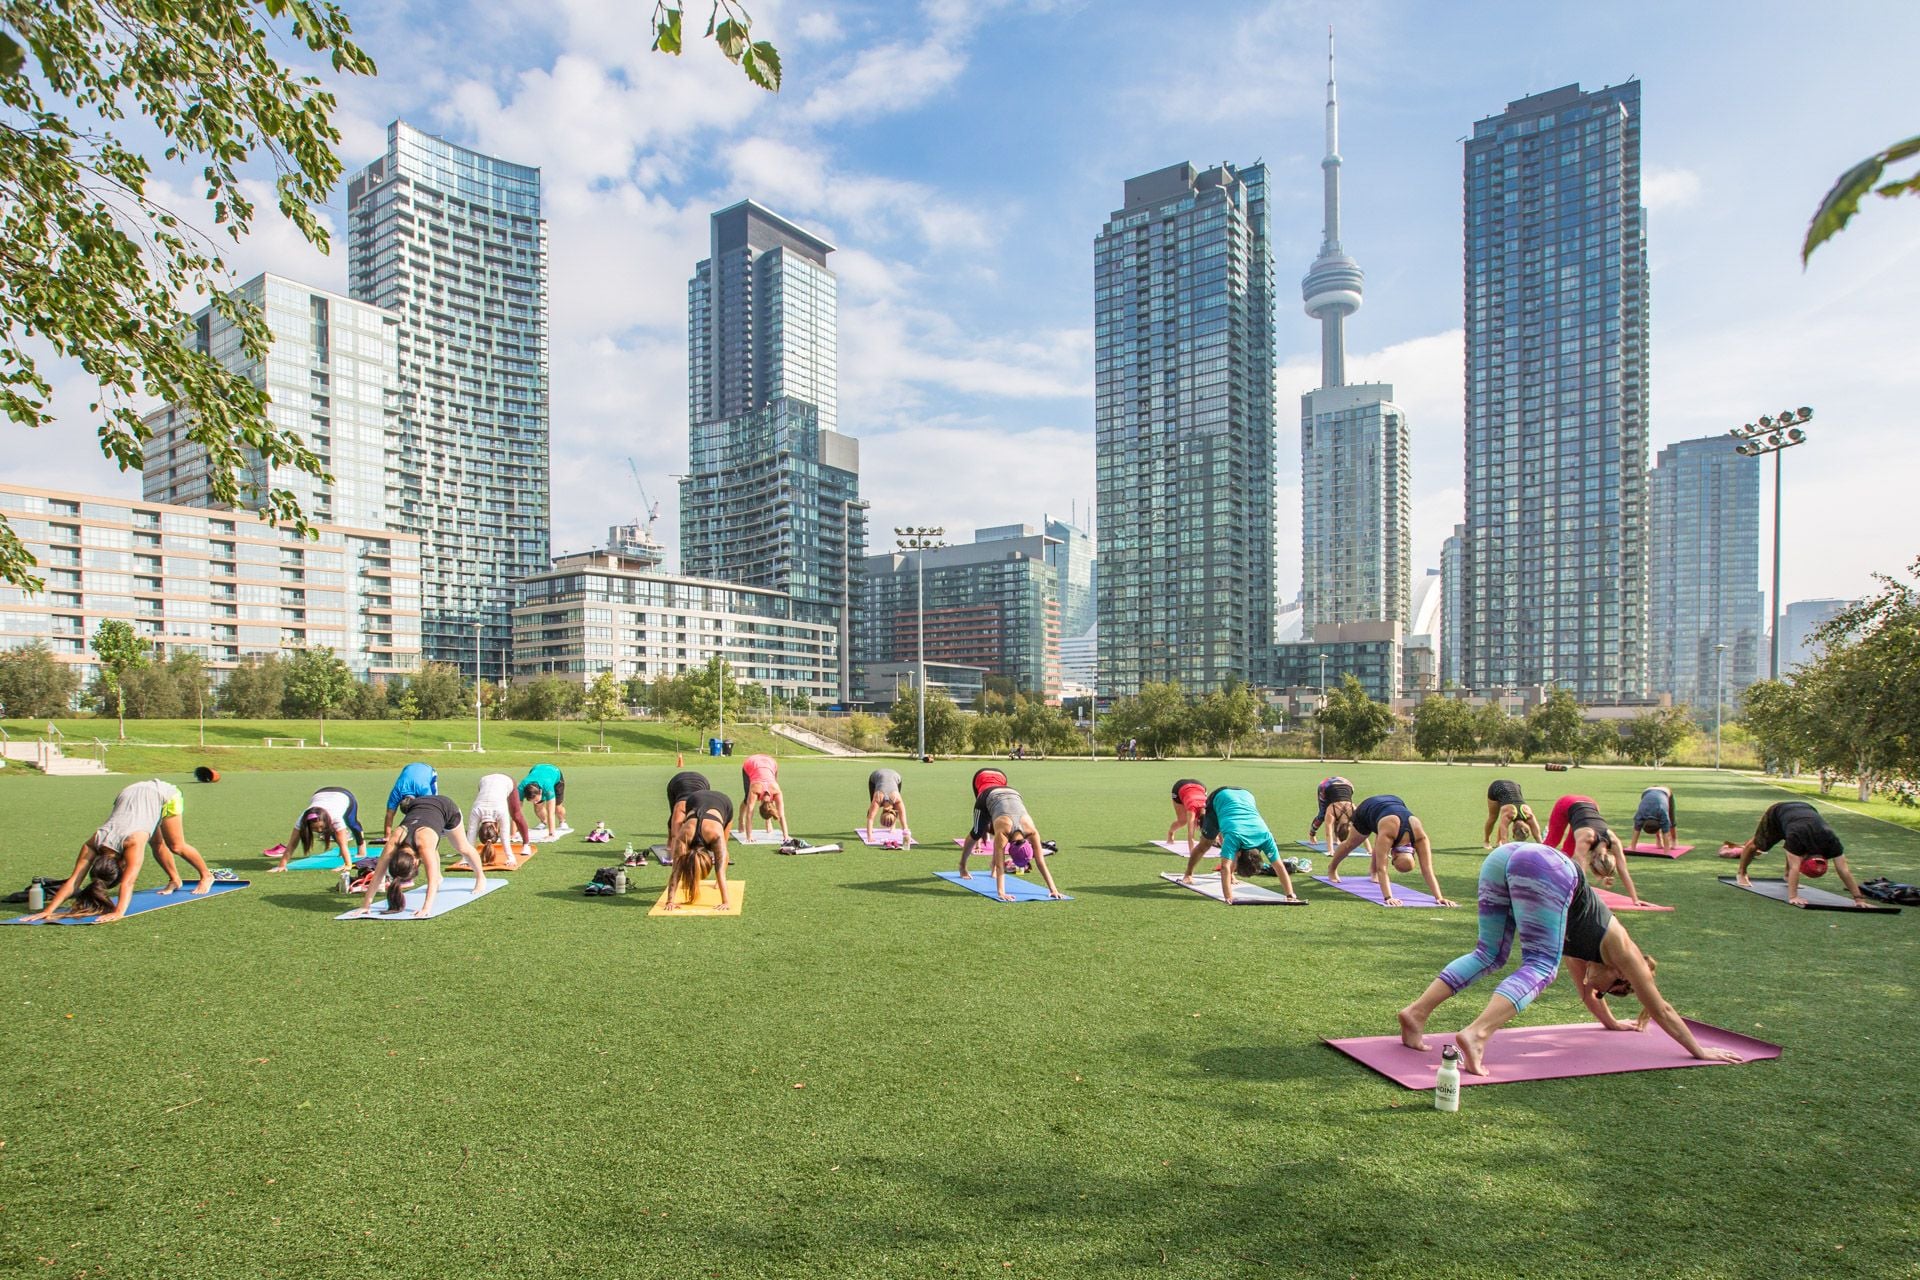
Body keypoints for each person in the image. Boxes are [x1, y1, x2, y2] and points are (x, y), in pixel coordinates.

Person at [1396, 841, 1743, 1075]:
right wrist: (1700, 1051)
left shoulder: (1585, 956)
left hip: (1506, 857)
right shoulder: (1625, 952)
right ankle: (1478, 1033)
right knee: (1541, 965)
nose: (1598, 991)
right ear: (1620, 975)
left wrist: (1612, 1024)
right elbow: (1661, 1009)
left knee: (1489, 954)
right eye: (1609, 991)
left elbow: (1586, 997)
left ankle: (1416, 1013)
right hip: (1545, 865)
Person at [21, 779, 212, 923]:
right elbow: (74, 880)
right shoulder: (94, 842)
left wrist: (119, 911)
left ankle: (206, 875)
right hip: (129, 793)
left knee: (176, 845)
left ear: (120, 866)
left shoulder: (132, 842)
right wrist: (49, 910)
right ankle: (175, 880)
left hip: (162, 794)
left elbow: (129, 881)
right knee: (155, 843)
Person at [350, 794, 488, 918]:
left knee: (462, 847)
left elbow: (431, 879)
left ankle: (481, 877)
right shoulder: (393, 842)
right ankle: (443, 877)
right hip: (419, 806)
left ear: (416, 863)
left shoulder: (424, 844)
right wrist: (365, 905)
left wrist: (426, 908)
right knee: (431, 847)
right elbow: (378, 874)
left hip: (445, 807)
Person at [1732, 801, 1869, 907]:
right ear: (1804, 858)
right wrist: (1793, 897)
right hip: (1778, 812)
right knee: (1758, 845)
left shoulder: (1832, 843)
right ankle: (1741, 872)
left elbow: (1843, 870)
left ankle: (1786, 876)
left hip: (1805, 810)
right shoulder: (1797, 839)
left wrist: (1858, 898)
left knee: (1792, 849)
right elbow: (1795, 868)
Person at [1327, 794, 1456, 907]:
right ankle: (1332, 868)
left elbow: (1427, 870)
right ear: (1393, 855)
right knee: (1351, 843)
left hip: (1393, 804)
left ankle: (1371, 873)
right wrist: (1388, 897)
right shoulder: (1389, 835)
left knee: (1381, 842)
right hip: (1369, 808)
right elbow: (1382, 868)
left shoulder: (1421, 838)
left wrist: (1439, 897)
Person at [1180, 786, 1300, 904]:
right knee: (1205, 844)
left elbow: (1278, 866)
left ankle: (1230, 876)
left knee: (1227, 843)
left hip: (1246, 795)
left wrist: (1290, 894)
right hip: (1219, 797)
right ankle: (1188, 873)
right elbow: (1225, 867)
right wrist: (1229, 897)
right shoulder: (1234, 838)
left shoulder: (1266, 837)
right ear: (1239, 853)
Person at [959, 784, 1063, 902]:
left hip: (1013, 793)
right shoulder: (1003, 833)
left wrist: (1053, 889)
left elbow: (1040, 862)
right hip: (987, 796)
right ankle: (962, 865)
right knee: (977, 832)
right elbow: (1000, 865)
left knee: (993, 835)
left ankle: (989, 868)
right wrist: (1001, 892)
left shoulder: (1032, 832)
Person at [1543, 794, 1644, 904]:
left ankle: (1556, 881)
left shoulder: (1614, 841)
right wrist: (1583, 898)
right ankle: (1534, 867)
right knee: (1551, 843)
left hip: (1591, 804)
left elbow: (1623, 870)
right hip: (1567, 803)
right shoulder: (1587, 838)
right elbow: (1580, 871)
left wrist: (1635, 899)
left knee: (1568, 851)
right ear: (1592, 860)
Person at [662, 788, 734, 912]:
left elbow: (720, 870)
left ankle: (718, 884)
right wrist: (670, 901)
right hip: (695, 799)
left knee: (724, 850)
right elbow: (676, 870)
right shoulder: (684, 836)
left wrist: (725, 901)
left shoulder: (716, 836)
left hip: (723, 802)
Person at [267, 786, 363, 873]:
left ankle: (362, 848)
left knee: (352, 823)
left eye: (321, 827)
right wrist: (282, 865)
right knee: (333, 831)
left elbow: (343, 844)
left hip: (344, 795)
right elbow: (292, 844)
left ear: (327, 821)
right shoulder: (302, 820)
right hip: (320, 793)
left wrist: (348, 864)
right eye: (314, 828)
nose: (320, 830)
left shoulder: (336, 818)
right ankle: (341, 853)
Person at [467, 773, 531, 866]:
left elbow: (505, 836)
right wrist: (465, 859)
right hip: (484, 780)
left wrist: (511, 858)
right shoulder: (476, 811)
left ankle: (526, 844)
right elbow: (471, 834)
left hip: (506, 781)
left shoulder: (498, 811)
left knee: (516, 815)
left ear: (496, 829)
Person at [737, 753, 789, 841]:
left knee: (769, 795)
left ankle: (768, 822)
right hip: (751, 763)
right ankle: (740, 819)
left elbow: (781, 815)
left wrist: (786, 836)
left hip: (771, 763)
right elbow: (749, 814)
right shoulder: (755, 790)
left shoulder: (776, 791)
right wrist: (749, 837)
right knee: (747, 799)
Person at [664, 769, 711, 858]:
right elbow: (676, 836)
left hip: (702, 781)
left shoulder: (702, 808)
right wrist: (676, 857)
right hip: (676, 782)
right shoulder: (680, 808)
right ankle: (669, 843)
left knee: (700, 826)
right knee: (674, 817)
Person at [1483, 778, 1541, 848]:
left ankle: (1498, 842)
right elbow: (1504, 839)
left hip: (1514, 785)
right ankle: (1486, 841)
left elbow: (1538, 837)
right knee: (1493, 817)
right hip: (1497, 787)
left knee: (1504, 822)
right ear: (1513, 831)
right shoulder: (1509, 814)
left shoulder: (1529, 815)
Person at [383, 762, 438, 836]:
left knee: (435, 802)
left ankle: (439, 828)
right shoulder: (396, 793)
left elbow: (430, 809)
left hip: (428, 769)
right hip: (408, 768)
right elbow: (389, 814)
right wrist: (387, 836)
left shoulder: (424, 790)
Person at [519, 763, 567, 835]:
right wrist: (513, 835)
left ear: (541, 792)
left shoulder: (548, 787)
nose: (535, 802)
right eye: (533, 801)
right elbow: (516, 812)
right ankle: (544, 821)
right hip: (536, 770)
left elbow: (551, 812)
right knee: (538, 807)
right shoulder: (521, 788)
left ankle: (562, 821)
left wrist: (551, 834)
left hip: (555, 774)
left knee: (557, 808)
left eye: (536, 800)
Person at [1308, 775, 1354, 846]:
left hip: (1347, 784)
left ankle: (1337, 838)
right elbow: (1328, 833)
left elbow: (1361, 830)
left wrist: (1369, 850)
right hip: (1326, 785)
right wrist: (1330, 850)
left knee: (1337, 814)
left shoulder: (1352, 812)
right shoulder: (1353, 811)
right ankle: (1312, 835)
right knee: (1323, 814)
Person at [1632, 785, 1678, 853]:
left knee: (1671, 818)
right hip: (1647, 792)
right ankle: (1659, 840)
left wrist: (1666, 852)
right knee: (1657, 823)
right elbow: (1636, 830)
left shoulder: (1662, 813)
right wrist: (1633, 849)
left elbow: (1666, 832)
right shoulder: (1640, 814)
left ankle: (1674, 840)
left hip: (1664, 791)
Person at [866, 767, 910, 833]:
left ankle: (893, 827)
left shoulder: (897, 799)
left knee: (896, 806)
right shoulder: (877, 798)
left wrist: (906, 833)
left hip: (895, 776)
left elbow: (903, 820)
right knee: (872, 807)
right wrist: (869, 836)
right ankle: (870, 828)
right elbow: (870, 818)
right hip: (876, 775)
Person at [1167, 778, 1209, 846]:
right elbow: (1190, 836)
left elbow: (1218, 830)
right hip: (1179, 788)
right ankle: (1170, 833)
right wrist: (1192, 853)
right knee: (1183, 821)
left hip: (1200, 787)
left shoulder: (1210, 810)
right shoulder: (1191, 810)